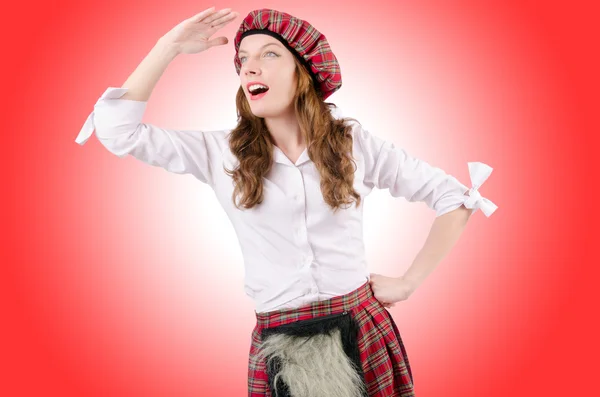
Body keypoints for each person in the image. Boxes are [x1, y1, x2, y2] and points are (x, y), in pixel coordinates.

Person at [75, 7, 498, 397]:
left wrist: (408, 282)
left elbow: (454, 197)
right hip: (281, 344)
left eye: (269, 54)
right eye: (243, 59)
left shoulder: (354, 145)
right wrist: (167, 47)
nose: (250, 66)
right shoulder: (219, 153)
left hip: (362, 329)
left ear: (304, 72)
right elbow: (117, 131)